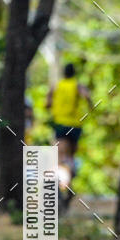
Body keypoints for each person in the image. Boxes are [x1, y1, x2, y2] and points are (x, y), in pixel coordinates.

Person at [47, 63, 91, 211]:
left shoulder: (56, 86)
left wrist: (54, 107)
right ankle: (68, 189)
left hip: (60, 124)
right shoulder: (77, 85)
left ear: (63, 73)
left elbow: (47, 102)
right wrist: (89, 105)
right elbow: (87, 96)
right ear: (74, 73)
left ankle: (59, 192)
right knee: (70, 158)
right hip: (75, 125)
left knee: (59, 159)